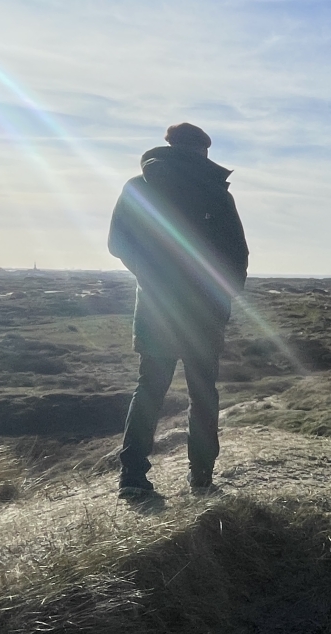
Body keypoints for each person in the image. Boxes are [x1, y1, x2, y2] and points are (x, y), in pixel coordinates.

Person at [107, 123, 249, 500]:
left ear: (169, 146)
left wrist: (151, 278)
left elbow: (118, 243)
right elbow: (238, 255)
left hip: (156, 308)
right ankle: (201, 478)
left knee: (150, 389)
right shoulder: (216, 192)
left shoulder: (139, 186)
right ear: (202, 151)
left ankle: (132, 477)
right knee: (203, 394)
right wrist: (222, 296)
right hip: (204, 312)